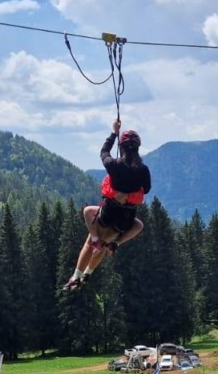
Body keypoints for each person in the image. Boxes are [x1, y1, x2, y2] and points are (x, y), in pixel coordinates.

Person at [63, 118, 152, 290]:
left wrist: (114, 132)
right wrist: (128, 195)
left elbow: (104, 151)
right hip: (126, 220)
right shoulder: (143, 169)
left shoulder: (114, 165)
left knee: (90, 231)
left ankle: (76, 276)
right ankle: (93, 267)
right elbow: (146, 189)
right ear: (137, 148)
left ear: (122, 148)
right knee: (138, 226)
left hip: (108, 214)